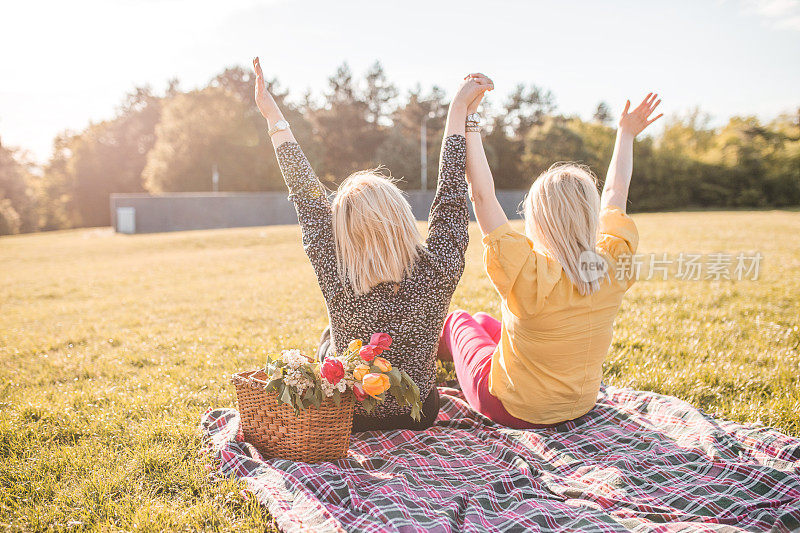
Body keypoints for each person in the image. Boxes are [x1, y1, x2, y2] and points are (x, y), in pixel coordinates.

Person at [253, 58, 491, 431]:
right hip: (417, 416)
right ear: (400, 215)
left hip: (352, 416)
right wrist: (458, 110)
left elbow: (306, 195)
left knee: (329, 341)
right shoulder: (438, 268)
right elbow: (451, 192)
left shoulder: (336, 272)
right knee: (333, 339)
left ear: (343, 230)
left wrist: (274, 118)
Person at [439, 75, 662, 429]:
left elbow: (482, 195)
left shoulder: (527, 271)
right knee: (483, 322)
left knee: (458, 321)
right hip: (580, 404)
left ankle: (415, 366)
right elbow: (617, 191)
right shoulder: (612, 261)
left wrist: (464, 116)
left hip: (510, 408)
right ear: (591, 215)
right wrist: (626, 134)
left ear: (538, 218)